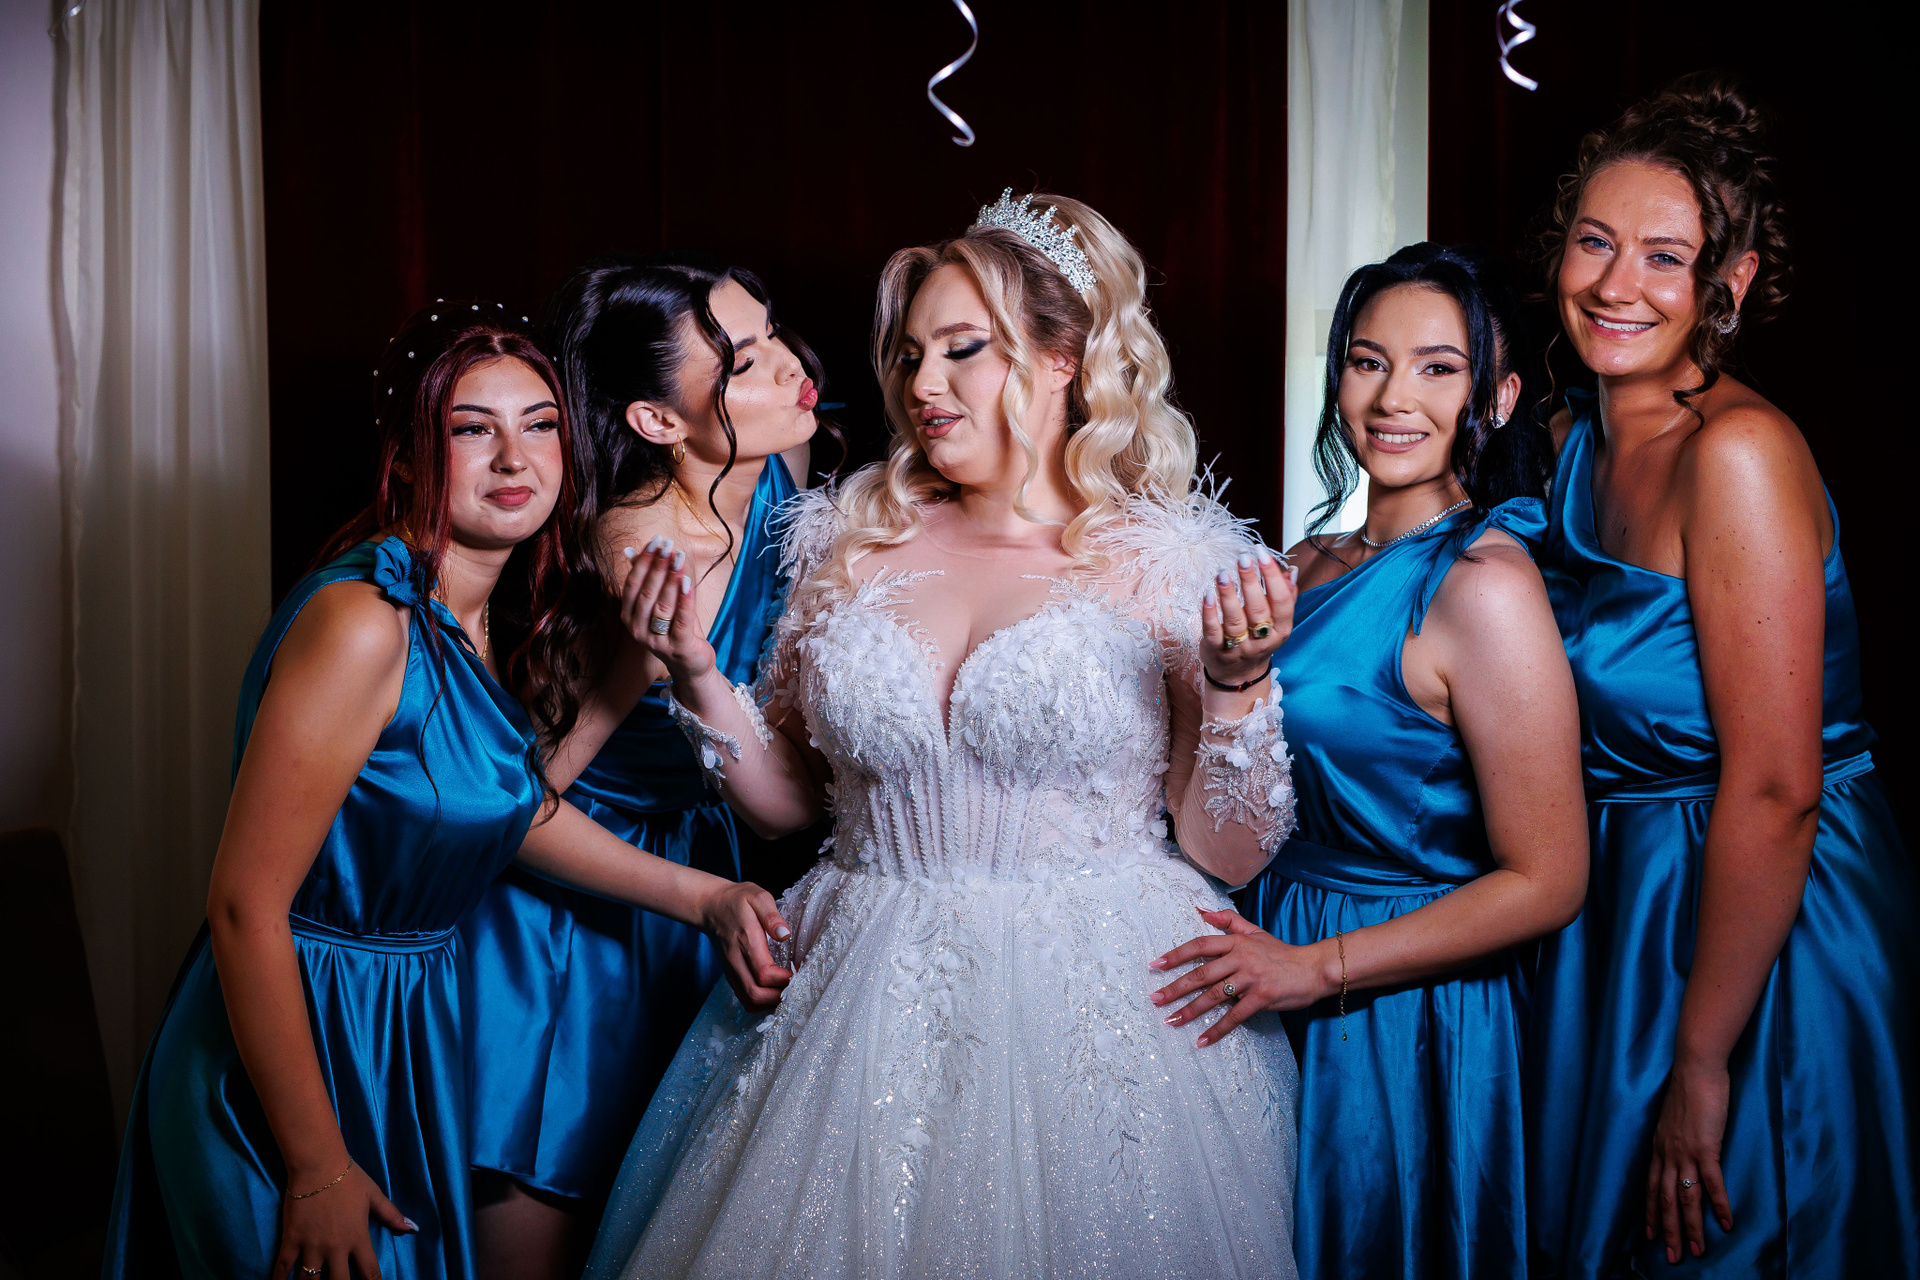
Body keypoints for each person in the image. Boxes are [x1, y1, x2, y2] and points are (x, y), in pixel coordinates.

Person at [584, 191, 1303, 1279]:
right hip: (854, 982)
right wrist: (692, 671)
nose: (923, 384)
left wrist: (1239, 685)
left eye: (963, 350)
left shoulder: (1168, 560)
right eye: (912, 354)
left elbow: (1229, 853)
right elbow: (792, 805)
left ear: (1063, 358)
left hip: (1099, 1001)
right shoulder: (849, 539)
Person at [100, 306, 790, 1280]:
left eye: (540, 424)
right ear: (411, 454)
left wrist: (705, 896)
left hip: (405, 1026)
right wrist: (315, 1164)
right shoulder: (365, 621)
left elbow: (511, 802)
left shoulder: (480, 615)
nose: (514, 457)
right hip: (300, 1033)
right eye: (473, 428)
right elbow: (244, 905)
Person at [1525, 75, 1920, 1277]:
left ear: (1729, 283)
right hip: (1626, 904)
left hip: (1758, 916)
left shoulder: (1737, 453)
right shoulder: (1577, 440)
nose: (1617, 284)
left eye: (1665, 256)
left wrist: (1703, 1055)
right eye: (1595, 241)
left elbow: (1776, 787)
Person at [1152, 242, 1588, 1280]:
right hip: (1261, 954)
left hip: (1398, 1003)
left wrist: (1318, 968)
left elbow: (1551, 877)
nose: (1393, 397)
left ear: (1498, 396)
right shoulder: (1294, 564)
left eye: (1438, 367)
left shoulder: (1483, 585)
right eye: (1367, 360)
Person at [460, 254, 821, 1279]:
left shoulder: (779, 470)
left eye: (772, 334)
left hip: (701, 880)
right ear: (660, 421)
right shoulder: (656, 557)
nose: (790, 368)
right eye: (743, 364)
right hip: (574, 916)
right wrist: (700, 896)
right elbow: (517, 804)